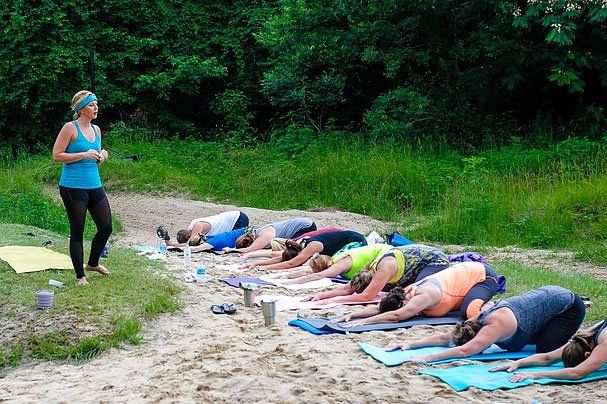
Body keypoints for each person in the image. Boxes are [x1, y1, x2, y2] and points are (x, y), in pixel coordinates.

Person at [385, 286, 586, 363]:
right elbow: (446, 337)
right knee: (532, 340)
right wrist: (410, 345)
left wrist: (426, 358)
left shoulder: (495, 325)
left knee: (546, 350)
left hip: (567, 305)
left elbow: (464, 351)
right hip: (542, 301)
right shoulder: (474, 322)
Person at [52, 90, 111, 285]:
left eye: (96, 104)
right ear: (81, 109)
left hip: (94, 184)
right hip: (72, 186)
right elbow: (57, 155)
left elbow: (93, 159)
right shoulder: (70, 128)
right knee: (78, 229)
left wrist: (101, 156)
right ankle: (80, 276)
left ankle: (92, 263)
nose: (96, 108)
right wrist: (83, 154)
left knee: (106, 227)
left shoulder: (97, 130)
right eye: (91, 105)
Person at [336, 261, 499, 327]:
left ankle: (492, 307)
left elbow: (396, 316)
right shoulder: (402, 294)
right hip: (461, 276)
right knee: (463, 308)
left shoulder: (423, 296)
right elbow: (382, 309)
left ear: (404, 302)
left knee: (470, 313)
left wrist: (364, 322)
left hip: (482, 276)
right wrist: (354, 315)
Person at [304, 244, 449, 303]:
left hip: (433, 259)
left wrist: (332, 301)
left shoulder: (383, 270)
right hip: (409, 259)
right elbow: (347, 289)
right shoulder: (368, 268)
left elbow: (366, 296)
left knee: (417, 292)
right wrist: (321, 296)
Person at [489, 318, 607, 382]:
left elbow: (577, 373)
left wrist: (535, 374)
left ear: (588, 355)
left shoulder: (603, 343)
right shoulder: (581, 340)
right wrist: (517, 363)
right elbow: (547, 358)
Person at [242, 230, 367, 270]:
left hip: (355, 241)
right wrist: (255, 262)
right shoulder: (297, 248)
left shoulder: (312, 246)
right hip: (343, 240)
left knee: (335, 264)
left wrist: (264, 268)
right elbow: (278, 256)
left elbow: (291, 263)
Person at [278, 243, 393, 284]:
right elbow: (309, 271)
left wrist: (291, 283)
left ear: (327, 266)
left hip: (385, 254)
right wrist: (284, 276)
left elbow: (318, 275)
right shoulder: (331, 259)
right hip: (379, 250)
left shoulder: (340, 264)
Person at [223, 218, 316, 254]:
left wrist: (231, 250)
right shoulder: (257, 232)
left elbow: (250, 249)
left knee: (294, 250)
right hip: (303, 224)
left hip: (305, 227)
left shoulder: (264, 235)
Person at [170, 210, 249, 246]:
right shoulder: (199, 228)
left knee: (239, 243)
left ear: (188, 235)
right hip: (234, 220)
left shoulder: (197, 225)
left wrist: (171, 244)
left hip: (237, 219)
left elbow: (189, 244)